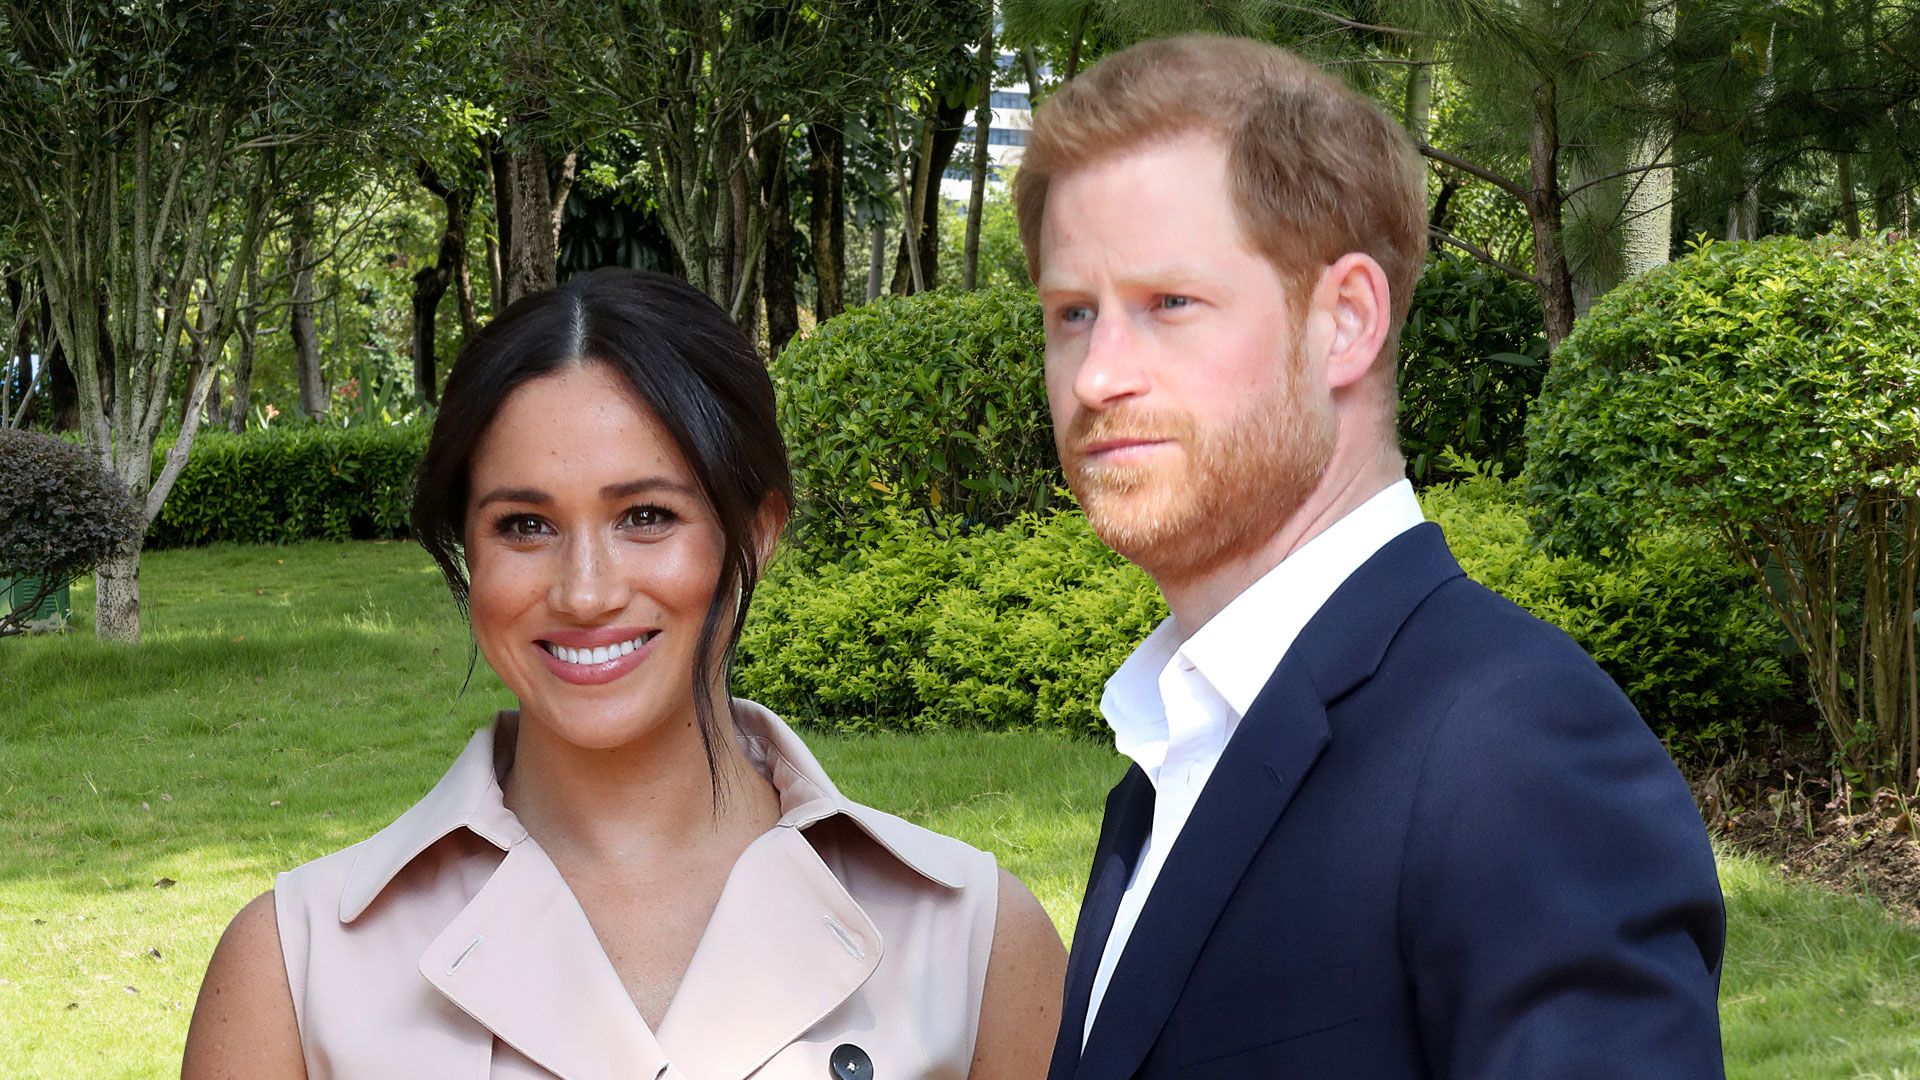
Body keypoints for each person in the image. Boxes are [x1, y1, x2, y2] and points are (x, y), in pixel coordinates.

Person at [1014, 36, 1725, 1079]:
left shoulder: (1514, 756)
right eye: (1073, 314)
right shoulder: (1178, 748)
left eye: (1169, 303)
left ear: (1344, 321)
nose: (1096, 375)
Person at [181, 269, 1066, 1079]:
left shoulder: (976, 942)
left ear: (754, 533)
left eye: (646, 515)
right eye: (525, 525)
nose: (586, 591)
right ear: (468, 551)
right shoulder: (293, 966)